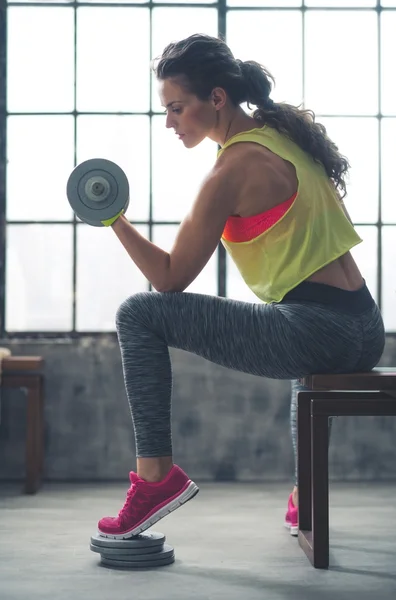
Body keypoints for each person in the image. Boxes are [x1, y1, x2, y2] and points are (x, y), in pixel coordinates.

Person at [97, 34, 385, 540]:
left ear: (216, 98)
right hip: (364, 325)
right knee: (304, 360)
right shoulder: (283, 136)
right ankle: (305, 493)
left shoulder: (231, 168)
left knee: (138, 313)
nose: (169, 122)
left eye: (176, 108)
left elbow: (168, 279)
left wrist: (113, 219)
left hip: (317, 329)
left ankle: (156, 478)